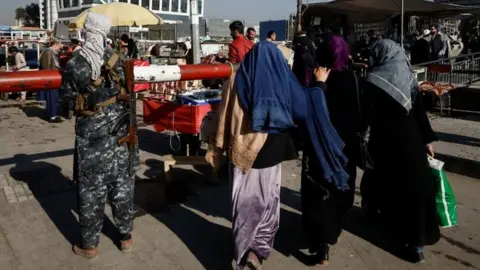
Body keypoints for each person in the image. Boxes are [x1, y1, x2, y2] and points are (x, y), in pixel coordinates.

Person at [206, 41, 347, 270]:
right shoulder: (283, 79)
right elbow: (304, 106)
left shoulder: (234, 80)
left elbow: (223, 116)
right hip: (272, 153)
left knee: (243, 204)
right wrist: (320, 85)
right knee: (267, 201)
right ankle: (257, 251)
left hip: (242, 153)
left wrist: (219, 148)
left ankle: (243, 253)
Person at [60, 12, 136, 259]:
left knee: (91, 191)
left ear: (87, 31)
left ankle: (90, 245)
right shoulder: (118, 59)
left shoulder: (75, 63)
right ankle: (125, 238)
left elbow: (67, 101)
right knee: (122, 186)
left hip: (91, 139)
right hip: (119, 133)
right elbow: (129, 94)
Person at [360, 39, 440, 263]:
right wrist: (426, 141)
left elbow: (366, 117)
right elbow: (419, 112)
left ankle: (392, 228)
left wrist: (362, 140)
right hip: (411, 142)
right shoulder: (407, 76)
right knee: (415, 188)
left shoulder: (372, 80)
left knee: (392, 188)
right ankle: (418, 242)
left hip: (384, 144)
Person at [301, 35, 360, 265]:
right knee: (339, 191)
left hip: (319, 146)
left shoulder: (317, 79)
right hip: (345, 148)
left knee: (319, 193)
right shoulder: (353, 80)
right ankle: (332, 232)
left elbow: (306, 110)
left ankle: (321, 244)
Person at [37, 40, 63, 123]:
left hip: (54, 80)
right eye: (60, 45)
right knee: (51, 99)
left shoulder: (52, 52)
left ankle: (54, 114)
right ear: (56, 44)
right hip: (50, 81)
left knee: (54, 99)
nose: (60, 47)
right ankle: (52, 116)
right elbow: (46, 68)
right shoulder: (47, 52)